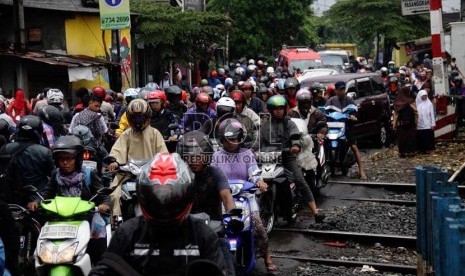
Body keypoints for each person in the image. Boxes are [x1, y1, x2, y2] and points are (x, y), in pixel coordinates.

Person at [90, 153, 227, 275]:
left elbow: (220, 270)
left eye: (171, 200)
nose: (164, 208)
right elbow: (105, 268)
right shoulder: (126, 234)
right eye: (156, 200)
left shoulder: (203, 236)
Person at [211, 119, 277, 273]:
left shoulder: (247, 154)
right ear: (222, 140)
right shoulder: (216, 156)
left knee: (258, 227)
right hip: (224, 198)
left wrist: (259, 181)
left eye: (235, 139)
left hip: (247, 197)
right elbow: (212, 175)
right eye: (229, 140)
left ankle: (267, 256)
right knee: (215, 227)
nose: (233, 143)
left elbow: (254, 173)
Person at [177, 131, 236, 276]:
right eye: (189, 156)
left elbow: (226, 196)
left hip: (214, 234)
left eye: (198, 156)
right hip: (184, 235)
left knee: (228, 273)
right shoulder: (179, 176)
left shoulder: (216, 173)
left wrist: (233, 217)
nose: (194, 160)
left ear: (207, 156)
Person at [260, 95, 325, 222]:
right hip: (269, 159)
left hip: (287, 157)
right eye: (275, 108)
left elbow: (295, 138)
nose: (278, 111)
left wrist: (295, 146)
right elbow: (260, 143)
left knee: (300, 181)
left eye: (281, 108)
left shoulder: (290, 124)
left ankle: (315, 212)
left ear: (284, 109)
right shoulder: (265, 126)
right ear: (270, 110)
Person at [107, 99, 168, 216]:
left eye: (140, 117)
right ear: (130, 118)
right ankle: (117, 225)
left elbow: (163, 154)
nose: (138, 121)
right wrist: (114, 162)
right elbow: (117, 151)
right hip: (127, 175)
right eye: (135, 118)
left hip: (152, 175)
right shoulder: (126, 134)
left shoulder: (155, 133)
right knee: (114, 195)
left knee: (165, 196)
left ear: (147, 117)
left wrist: (162, 165)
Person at [0, 115, 54, 205]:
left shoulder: (4, 149)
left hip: (9, 201)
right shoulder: (45, 152)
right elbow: (54, 176)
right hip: (37, 200)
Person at [325, 81, 367, 180]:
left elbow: (356, 112)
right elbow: (325, 112)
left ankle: (361, 170)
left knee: (354, 146)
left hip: (347, 127)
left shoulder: (350, 100)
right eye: (340, 89)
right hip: (334, 128)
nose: (341, 91)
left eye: (343, 89)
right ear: (336, 90)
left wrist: (353, 116)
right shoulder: (331, 101)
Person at [392, 87, 418, 158]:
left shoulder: (398, 102)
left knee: (403, 139)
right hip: (409, 124)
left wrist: (394, 125)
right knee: (409, 138)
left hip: (402, 124)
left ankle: (403, 152)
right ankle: (410, 152)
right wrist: (416, 123)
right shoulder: (411, 102)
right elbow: (416, 113)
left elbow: (396, 115)